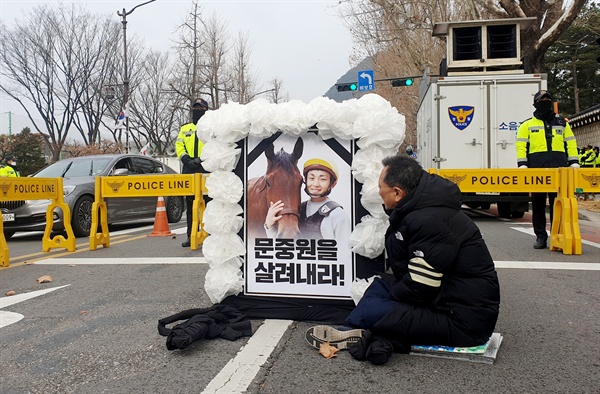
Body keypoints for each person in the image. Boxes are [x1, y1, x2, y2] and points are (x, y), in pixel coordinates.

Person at [305, 155, 500, 365]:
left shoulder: (429, 220)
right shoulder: (421, 209)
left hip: (462, 322)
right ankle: (355, 328)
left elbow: (421, 286)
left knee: (377, 309)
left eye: (381, 187)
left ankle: (363, 329)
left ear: (397, 193)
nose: (379, 192)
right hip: (442, 298)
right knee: (379, 285)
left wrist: (390, 302)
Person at [515, 90, 579, 249]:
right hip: (537, 170)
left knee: (559, 203)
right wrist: (522, 164)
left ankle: (559, 236)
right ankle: (541, 237)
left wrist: (574, 161)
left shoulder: (562, 123)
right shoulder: (527, 125)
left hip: (560, 170)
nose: (545, 102)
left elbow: (570, 143)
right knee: (538, 205)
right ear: (535, 103)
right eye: (542, 100)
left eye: (547, 99)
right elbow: (521, 145)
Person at [265, 158, 351, 244]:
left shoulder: (338, 215)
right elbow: (283, 247)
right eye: (311, 178)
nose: (315, 184)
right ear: (305, 181)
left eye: (322, 179)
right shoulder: (297, 210)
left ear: (333, 184)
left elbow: (344, 253)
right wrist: (269, 226)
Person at [176, 98, 209, 247]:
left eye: (200, 109)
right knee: (190, 206)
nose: (197, 111)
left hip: (205, 168)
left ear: (205, 110)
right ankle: (191, 236)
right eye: (195, 109)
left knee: (208, 204)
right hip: (188, 168)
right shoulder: (185, 128)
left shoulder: (211, 127)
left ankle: (209, 236)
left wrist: (202, 160)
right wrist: (186, 160)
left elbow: (215, 147)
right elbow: (179, 146)